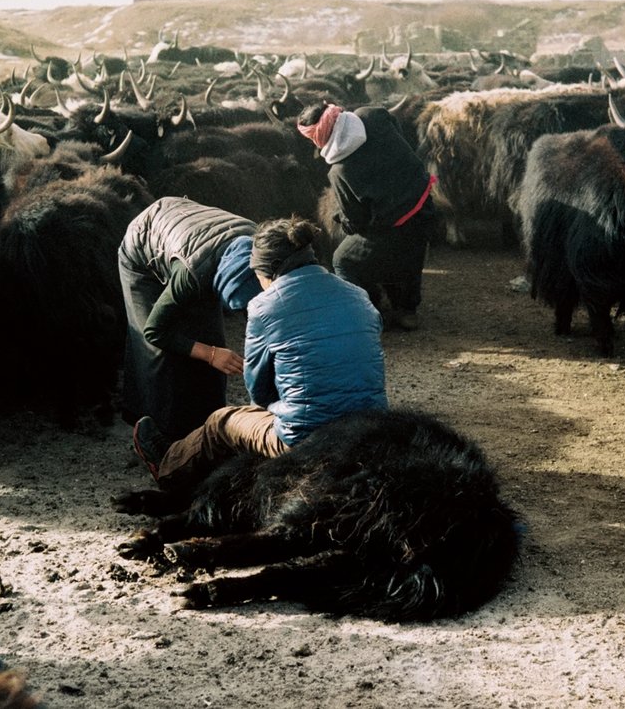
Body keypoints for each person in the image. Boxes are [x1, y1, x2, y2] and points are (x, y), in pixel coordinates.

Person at [141, 216, 388, 497]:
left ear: (266, 270)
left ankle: (168, 468)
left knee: (223, 422)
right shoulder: (357, 294)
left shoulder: (263, 307)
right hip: (370, 427)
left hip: (307, 438)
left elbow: (259, 393)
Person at [118, 197, 263, 470]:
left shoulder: (263, 252)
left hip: (198, 242)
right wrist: (210, 354)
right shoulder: (192, 276)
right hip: (144, 248)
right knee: (161, 356)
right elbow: (154, 331)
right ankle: (159, 440)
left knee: (211, 341)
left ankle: (207, 432)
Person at [296, 101, 436, 331]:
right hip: (423, 201)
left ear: (317, 137)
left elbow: (356, 222)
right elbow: (398, 131)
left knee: (343, 259)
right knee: (413, 251)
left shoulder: (340, 171)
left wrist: (341, 219)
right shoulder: (372, 115)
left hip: (393, 226)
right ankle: (408, 310)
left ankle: (361, 316)